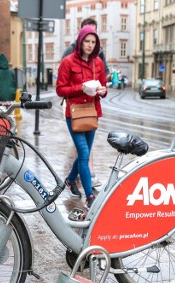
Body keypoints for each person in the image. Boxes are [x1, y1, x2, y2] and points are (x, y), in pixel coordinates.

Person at [56, 25, 107, 209]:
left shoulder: (98, 64)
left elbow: (103, 87)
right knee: (84, 153)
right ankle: (90, 195)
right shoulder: (68, 62)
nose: (90, 45)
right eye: (87, 41)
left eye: (93, 42)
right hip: (75, 113)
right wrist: (81, 88)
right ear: (80, 41)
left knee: (83, 155)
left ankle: (70, 181)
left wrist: (102, 90)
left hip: (92, 113)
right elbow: (60, 89)